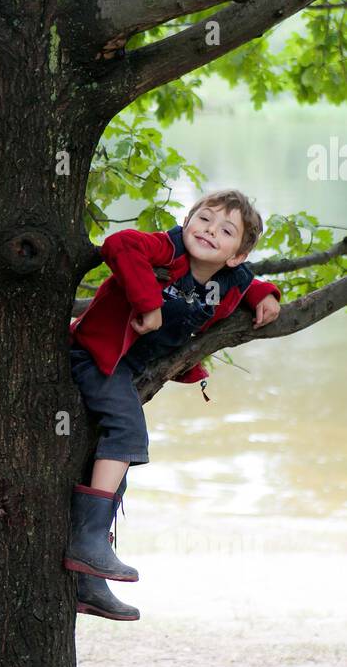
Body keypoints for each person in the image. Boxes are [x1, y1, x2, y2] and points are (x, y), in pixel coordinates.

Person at [65, 191, 281, 621]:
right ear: (187, 222)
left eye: (225, 231)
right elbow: (120, 244)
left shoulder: (231, 281)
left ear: (236, 255)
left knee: (115, 473)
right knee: (128, 436)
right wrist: (148, 303)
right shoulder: (168, 249)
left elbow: (252, 283)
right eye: (204, 219)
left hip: (126, 370)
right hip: (95, 354)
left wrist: (267, 296)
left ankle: (88, 579)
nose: (209, 231)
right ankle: (86, 545)